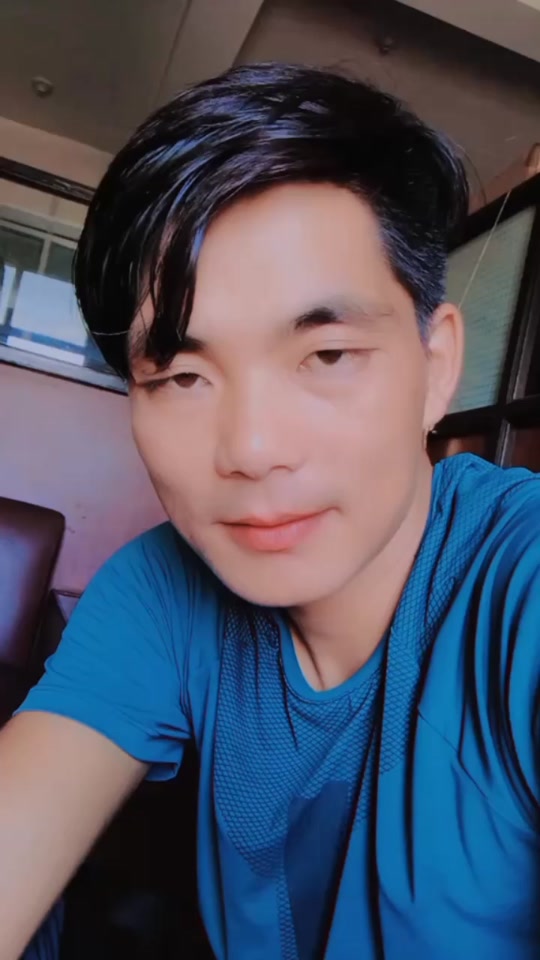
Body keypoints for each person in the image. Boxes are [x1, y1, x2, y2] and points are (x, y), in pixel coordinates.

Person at [1, 61, 539, 960]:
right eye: (182, 376)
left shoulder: (516, 582)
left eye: (327, 356)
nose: (250, 449)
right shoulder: (162, 589)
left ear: (437, 366)